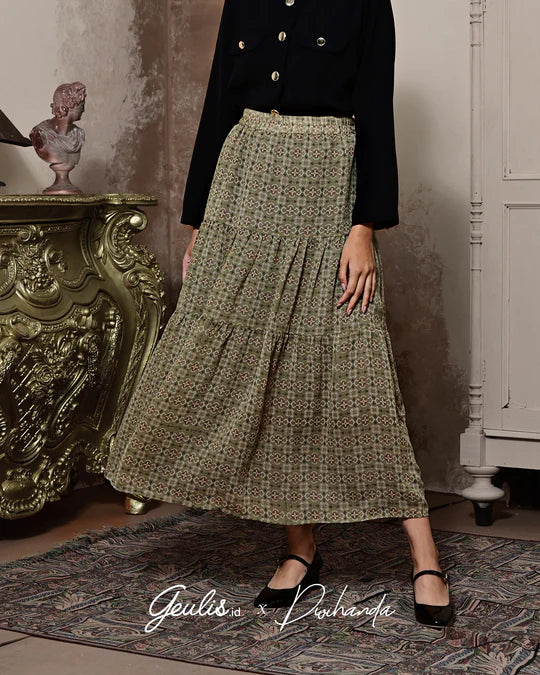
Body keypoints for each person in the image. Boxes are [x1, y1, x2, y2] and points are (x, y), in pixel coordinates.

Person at [104, 0, 455, 627]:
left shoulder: (365, 4)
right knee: (264, 371)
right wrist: (201, 222)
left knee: (355, 368)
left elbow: (375, 113)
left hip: (326, 189)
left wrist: (364, 227)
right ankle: (300, 548)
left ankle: (424, 554)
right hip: (244, 188)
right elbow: (219, 106)